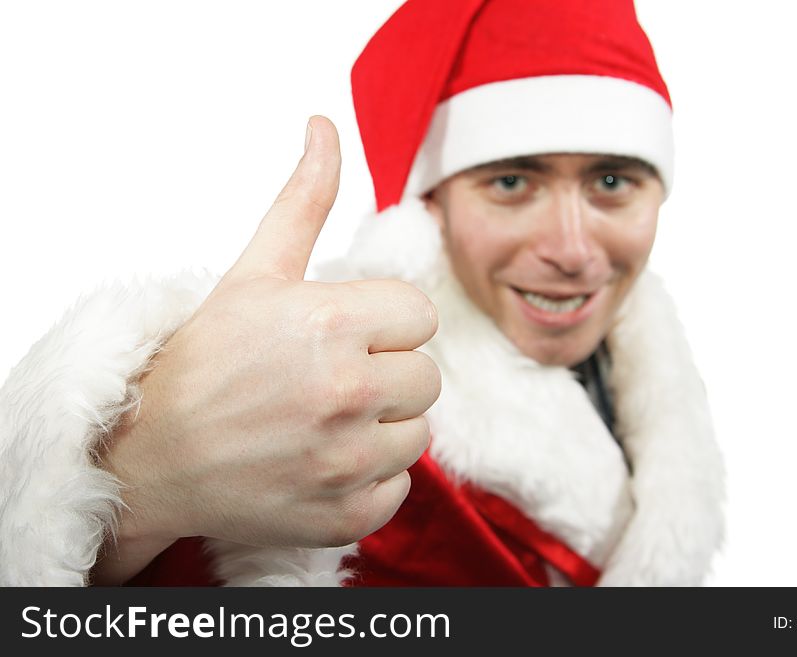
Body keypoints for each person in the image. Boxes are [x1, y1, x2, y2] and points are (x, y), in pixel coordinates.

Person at [0, 0, 724, 587]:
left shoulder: (650, 395)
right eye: (510, 182)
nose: (571, 249)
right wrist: (129, 479)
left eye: (612, 182)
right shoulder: (325, 426)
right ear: (427, 209)